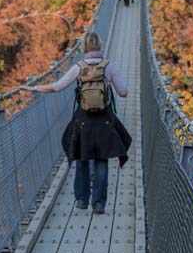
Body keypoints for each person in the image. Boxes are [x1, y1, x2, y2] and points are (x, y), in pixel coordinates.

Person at [21, 32, 131, 214]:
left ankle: (81, 199)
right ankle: (99, 203)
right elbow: (124, 92)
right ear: (100, 46)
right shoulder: (109, 66)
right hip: (104, 120)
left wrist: (34, 87)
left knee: (82, 156)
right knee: (101, 160)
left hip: (83, 120)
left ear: (84, 48)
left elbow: (56, 87)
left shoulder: (78, 67)